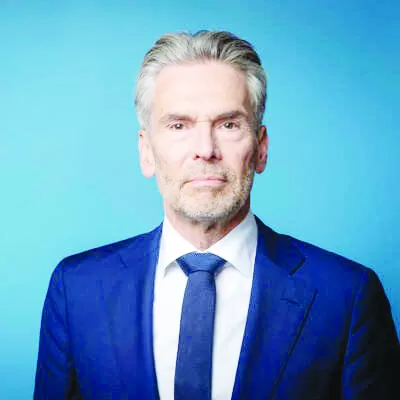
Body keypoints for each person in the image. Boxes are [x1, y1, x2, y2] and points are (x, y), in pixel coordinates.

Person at [34, 30, 399, 399]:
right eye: (179, 125)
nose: (205, 149)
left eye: (228, 124)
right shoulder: (76, 289)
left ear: (261, 149)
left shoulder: (346, 296)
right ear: (146, 151)